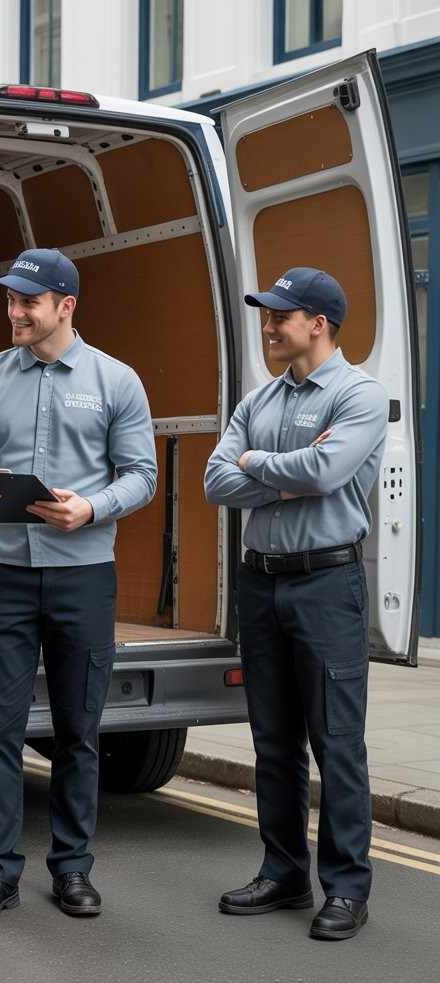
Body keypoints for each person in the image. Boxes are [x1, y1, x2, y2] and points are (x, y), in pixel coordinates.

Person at [0, 248, 157, 921]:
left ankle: (72, 869)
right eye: (9, 300)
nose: (14, 312)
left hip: (82, 577)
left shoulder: (117, 381)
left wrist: (90, 507)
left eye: (27, 302)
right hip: (2, 576)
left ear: (65, 306)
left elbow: (142, 475)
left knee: (77, 730)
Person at [204, 267, 387, 941]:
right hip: (262, 580)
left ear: (319, 322)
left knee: (336, 741)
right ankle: (284, 872)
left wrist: (255, 465)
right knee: (273, 742)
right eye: (266, 313)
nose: (268, 324)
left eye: (280, 314)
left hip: (327, 585)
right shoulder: (260, 400)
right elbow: (214, 481)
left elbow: (327, 471)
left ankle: (346, 889)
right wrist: (271, 472)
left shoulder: (360, 394)